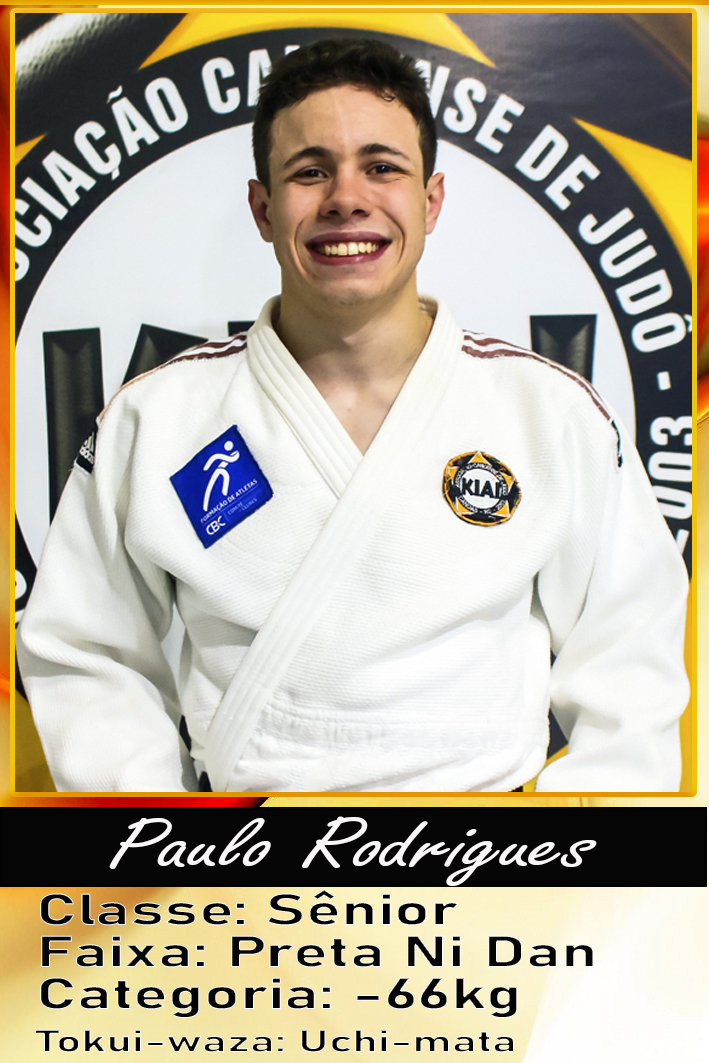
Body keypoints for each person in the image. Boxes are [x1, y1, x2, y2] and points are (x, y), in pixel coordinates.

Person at [17, 38, 689, 793]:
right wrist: (165, 831)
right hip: (246, 847)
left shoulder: (548, 412)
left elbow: (628, 659)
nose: (346, 197)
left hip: (486, 847)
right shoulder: (159, 419)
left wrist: (565, 845)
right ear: (263, 209)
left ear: (430, 202)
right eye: (310, 171)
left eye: (382, 167)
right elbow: (88, 653)